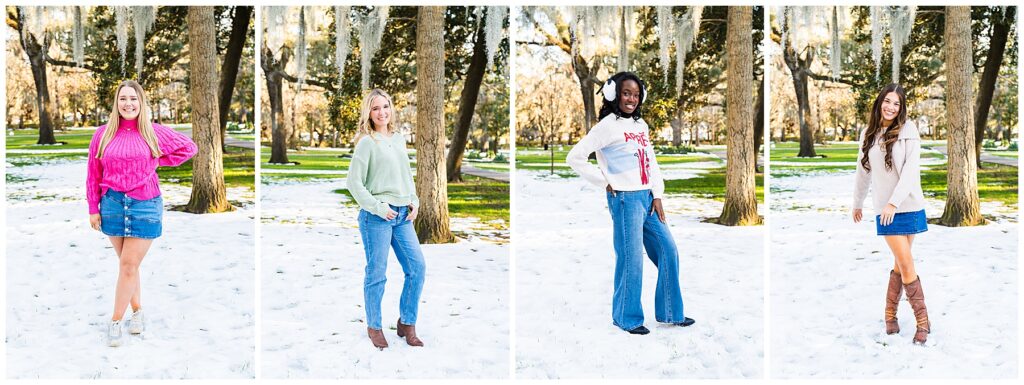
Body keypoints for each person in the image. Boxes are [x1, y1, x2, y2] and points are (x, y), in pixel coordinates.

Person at [566, 71, 695, 335]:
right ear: (614, 94)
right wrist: (605, 182)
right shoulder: (607, 126)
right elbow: (575, 157)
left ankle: (671, 312)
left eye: (636, 95)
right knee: (631, 259)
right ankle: (627, 317)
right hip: (624, 199)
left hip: (647, 198)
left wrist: (657, 194)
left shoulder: (641, 126)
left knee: (668, 250)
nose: (631, 99)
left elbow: (651, 162)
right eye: (626, 93)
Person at [86, 80, 198, 347]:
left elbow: (189, 147)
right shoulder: (102, 134)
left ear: (141, 102)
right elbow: (93, 172)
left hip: (145, 204)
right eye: (123, 99)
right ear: (116, 103)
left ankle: (115, 321)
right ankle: (137, 313)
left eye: (133, 99)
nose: (128, 104)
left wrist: (158, 159)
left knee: (128, 266)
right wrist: (93, 208)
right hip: (111, 204)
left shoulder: (153, 132)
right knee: (129, 266)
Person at [346, 89, 426, 349]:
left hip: (403, 215)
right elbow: (353, 183)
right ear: (369, 113)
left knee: (417, 268)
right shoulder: (367, 142)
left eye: (386, 106)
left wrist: (414, 200)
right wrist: (377, 207)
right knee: (377, 273)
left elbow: (405, 175)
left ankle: (407, 324)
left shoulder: (400, 139)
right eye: (376, 108)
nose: (382, 112)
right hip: (376, 218)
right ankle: (375, 326)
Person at [852, 83, 930, 345]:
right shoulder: (869, 133)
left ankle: (891, 317)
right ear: (879, 102)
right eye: (887, 101)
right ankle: (921, 320)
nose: (891, 107)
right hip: (885, 208)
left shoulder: (909, 130)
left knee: (901, 263)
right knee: (905, 262)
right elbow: (863, 172)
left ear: (901, 107)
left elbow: (910, 172)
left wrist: (894, 203)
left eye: (896, 103)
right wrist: (857, 202)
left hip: (907, 204)